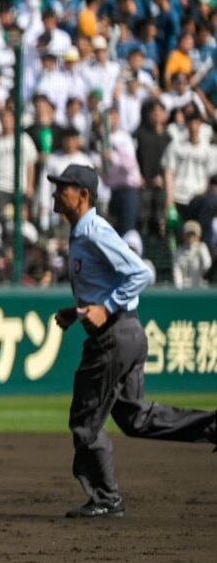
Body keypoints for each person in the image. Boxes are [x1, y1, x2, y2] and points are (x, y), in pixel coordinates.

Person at [48, 164, 217, 519]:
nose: (55, 193)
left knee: (85, 420)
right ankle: (212, 425)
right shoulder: (81, 233)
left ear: (83, 195)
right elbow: (104, 286)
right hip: (125, 333)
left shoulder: (94, 231)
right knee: (134, 418)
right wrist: (78, 311)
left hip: (115, 337)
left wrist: (106, 308)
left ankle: (107, 498)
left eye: (63, 187)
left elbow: (141, 273)